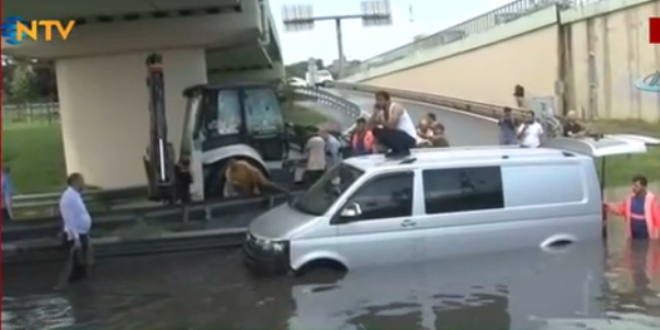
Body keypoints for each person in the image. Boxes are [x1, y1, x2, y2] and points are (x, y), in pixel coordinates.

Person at [58, 173, 93, 284]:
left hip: (82, 232)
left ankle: (82, 280)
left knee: (83, 260)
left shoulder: (75, 196)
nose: (83, 183)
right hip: (74, 235)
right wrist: (76, 237)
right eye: (81, 181)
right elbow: (69, 219)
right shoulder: (68, 198)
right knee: (76, 262)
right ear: (75, 182)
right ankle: (73, 284)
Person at [605, 175, 660, 240]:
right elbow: (622, 210)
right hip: (633, 235)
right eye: (633, 185)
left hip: (647, 235)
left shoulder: (651, 200)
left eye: (636, 186)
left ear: (644, 187)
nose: (633, 188)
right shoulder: (630, 199)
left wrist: (656, 238)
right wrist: (609, 207)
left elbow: (657, 220)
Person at [369, 91, 417, 158]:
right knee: (376, 131)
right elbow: (369, 127)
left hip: (408, 138)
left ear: (387, 101)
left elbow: (392, 126)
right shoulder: (381, 113)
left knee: (385, 131)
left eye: (380, 100)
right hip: (397, 136)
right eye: (377, 100)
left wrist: (380, 121)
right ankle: (396, 150)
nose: (378, 103)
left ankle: (403, 151)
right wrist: (374, 114)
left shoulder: (396, 108)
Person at [224, 159, 289, 196]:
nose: (235, 168)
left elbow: (253, 173)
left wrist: (256, 187)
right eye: (233, 167)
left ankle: (285, 192)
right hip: (245, 183)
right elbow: (231, 184)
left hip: (255, 176)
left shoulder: (242, 164)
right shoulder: (229, 173)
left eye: (235, 166)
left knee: (266, 185)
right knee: (240, 189)